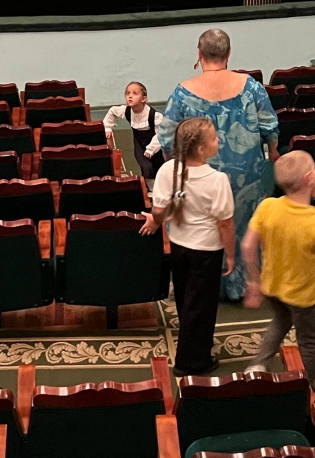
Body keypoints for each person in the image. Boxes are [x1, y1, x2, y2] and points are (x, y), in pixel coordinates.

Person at [159, 28, 279, 300]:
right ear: (228, 54)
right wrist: (272, 151)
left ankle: (202, 284)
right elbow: (269, 126)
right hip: (246, 173)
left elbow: (167, 139)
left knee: (201, 225)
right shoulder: (251, 86)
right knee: (242, 224)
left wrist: (174, 168)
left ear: (199, 54)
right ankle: (242, 282)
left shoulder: (183, 92)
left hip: (199, 174)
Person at [242, 151, 315, 382]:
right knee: (309, 342)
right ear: (309, 178)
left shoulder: (268, 206)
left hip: (273, 288)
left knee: (281, 320)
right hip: (302, 298)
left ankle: (259, 364)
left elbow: (247, 245)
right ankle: (305, 387)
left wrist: (254, 279)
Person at [141, 117, 235, 376]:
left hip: (179, 246)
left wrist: (156, 222)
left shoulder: (167, 170)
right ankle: (191, 361)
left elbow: (158, 210)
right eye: (214, 138)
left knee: (186, 300)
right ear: (202, 149)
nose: (218, 140)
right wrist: (230, 254)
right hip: (207, 251)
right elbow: (225, 223)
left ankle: (195, 341)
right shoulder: (217, 180)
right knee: (201, 305)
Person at [103, 81, 165, 182]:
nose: (130, 96)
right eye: (128, 93)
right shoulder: (126, 111)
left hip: (156, 144)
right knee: (145, 167)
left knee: (159, 167)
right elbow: (112, 111)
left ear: (143, 98)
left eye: (135, 93)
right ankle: (149, 188)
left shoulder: (154, 116)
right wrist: (108, 127)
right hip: (139, 144)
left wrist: (151, 149)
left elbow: (160, 134)